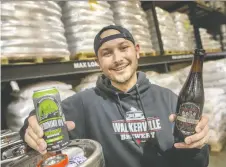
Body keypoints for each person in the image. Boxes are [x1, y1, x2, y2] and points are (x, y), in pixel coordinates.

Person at [20, 25, 209, 167]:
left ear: (137, 51)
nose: (118, 59)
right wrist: (31, 130)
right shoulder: (84, 103)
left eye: (123, 48)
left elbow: (196, 162)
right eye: (107, 53)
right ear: (98, 62)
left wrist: (198, 146)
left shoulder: (168, 99)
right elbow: (38, 123)